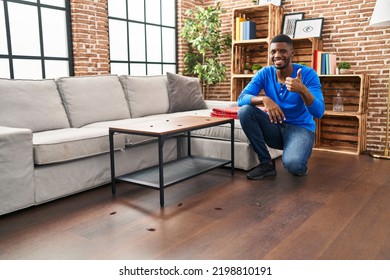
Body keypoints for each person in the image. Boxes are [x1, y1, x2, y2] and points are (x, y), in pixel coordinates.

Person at [237, 34, 325, 180]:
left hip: (301, 129)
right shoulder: (265, 73)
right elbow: (241, 98)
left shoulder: (308, 74)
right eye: (273, 52)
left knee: (294, 166)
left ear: (292, 53)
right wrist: (264, 99)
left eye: (283, 51)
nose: (277, 55)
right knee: (246, 110)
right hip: (275, 127)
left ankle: (298, 156)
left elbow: (319, 112)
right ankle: (266, 164)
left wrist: (303, 90)